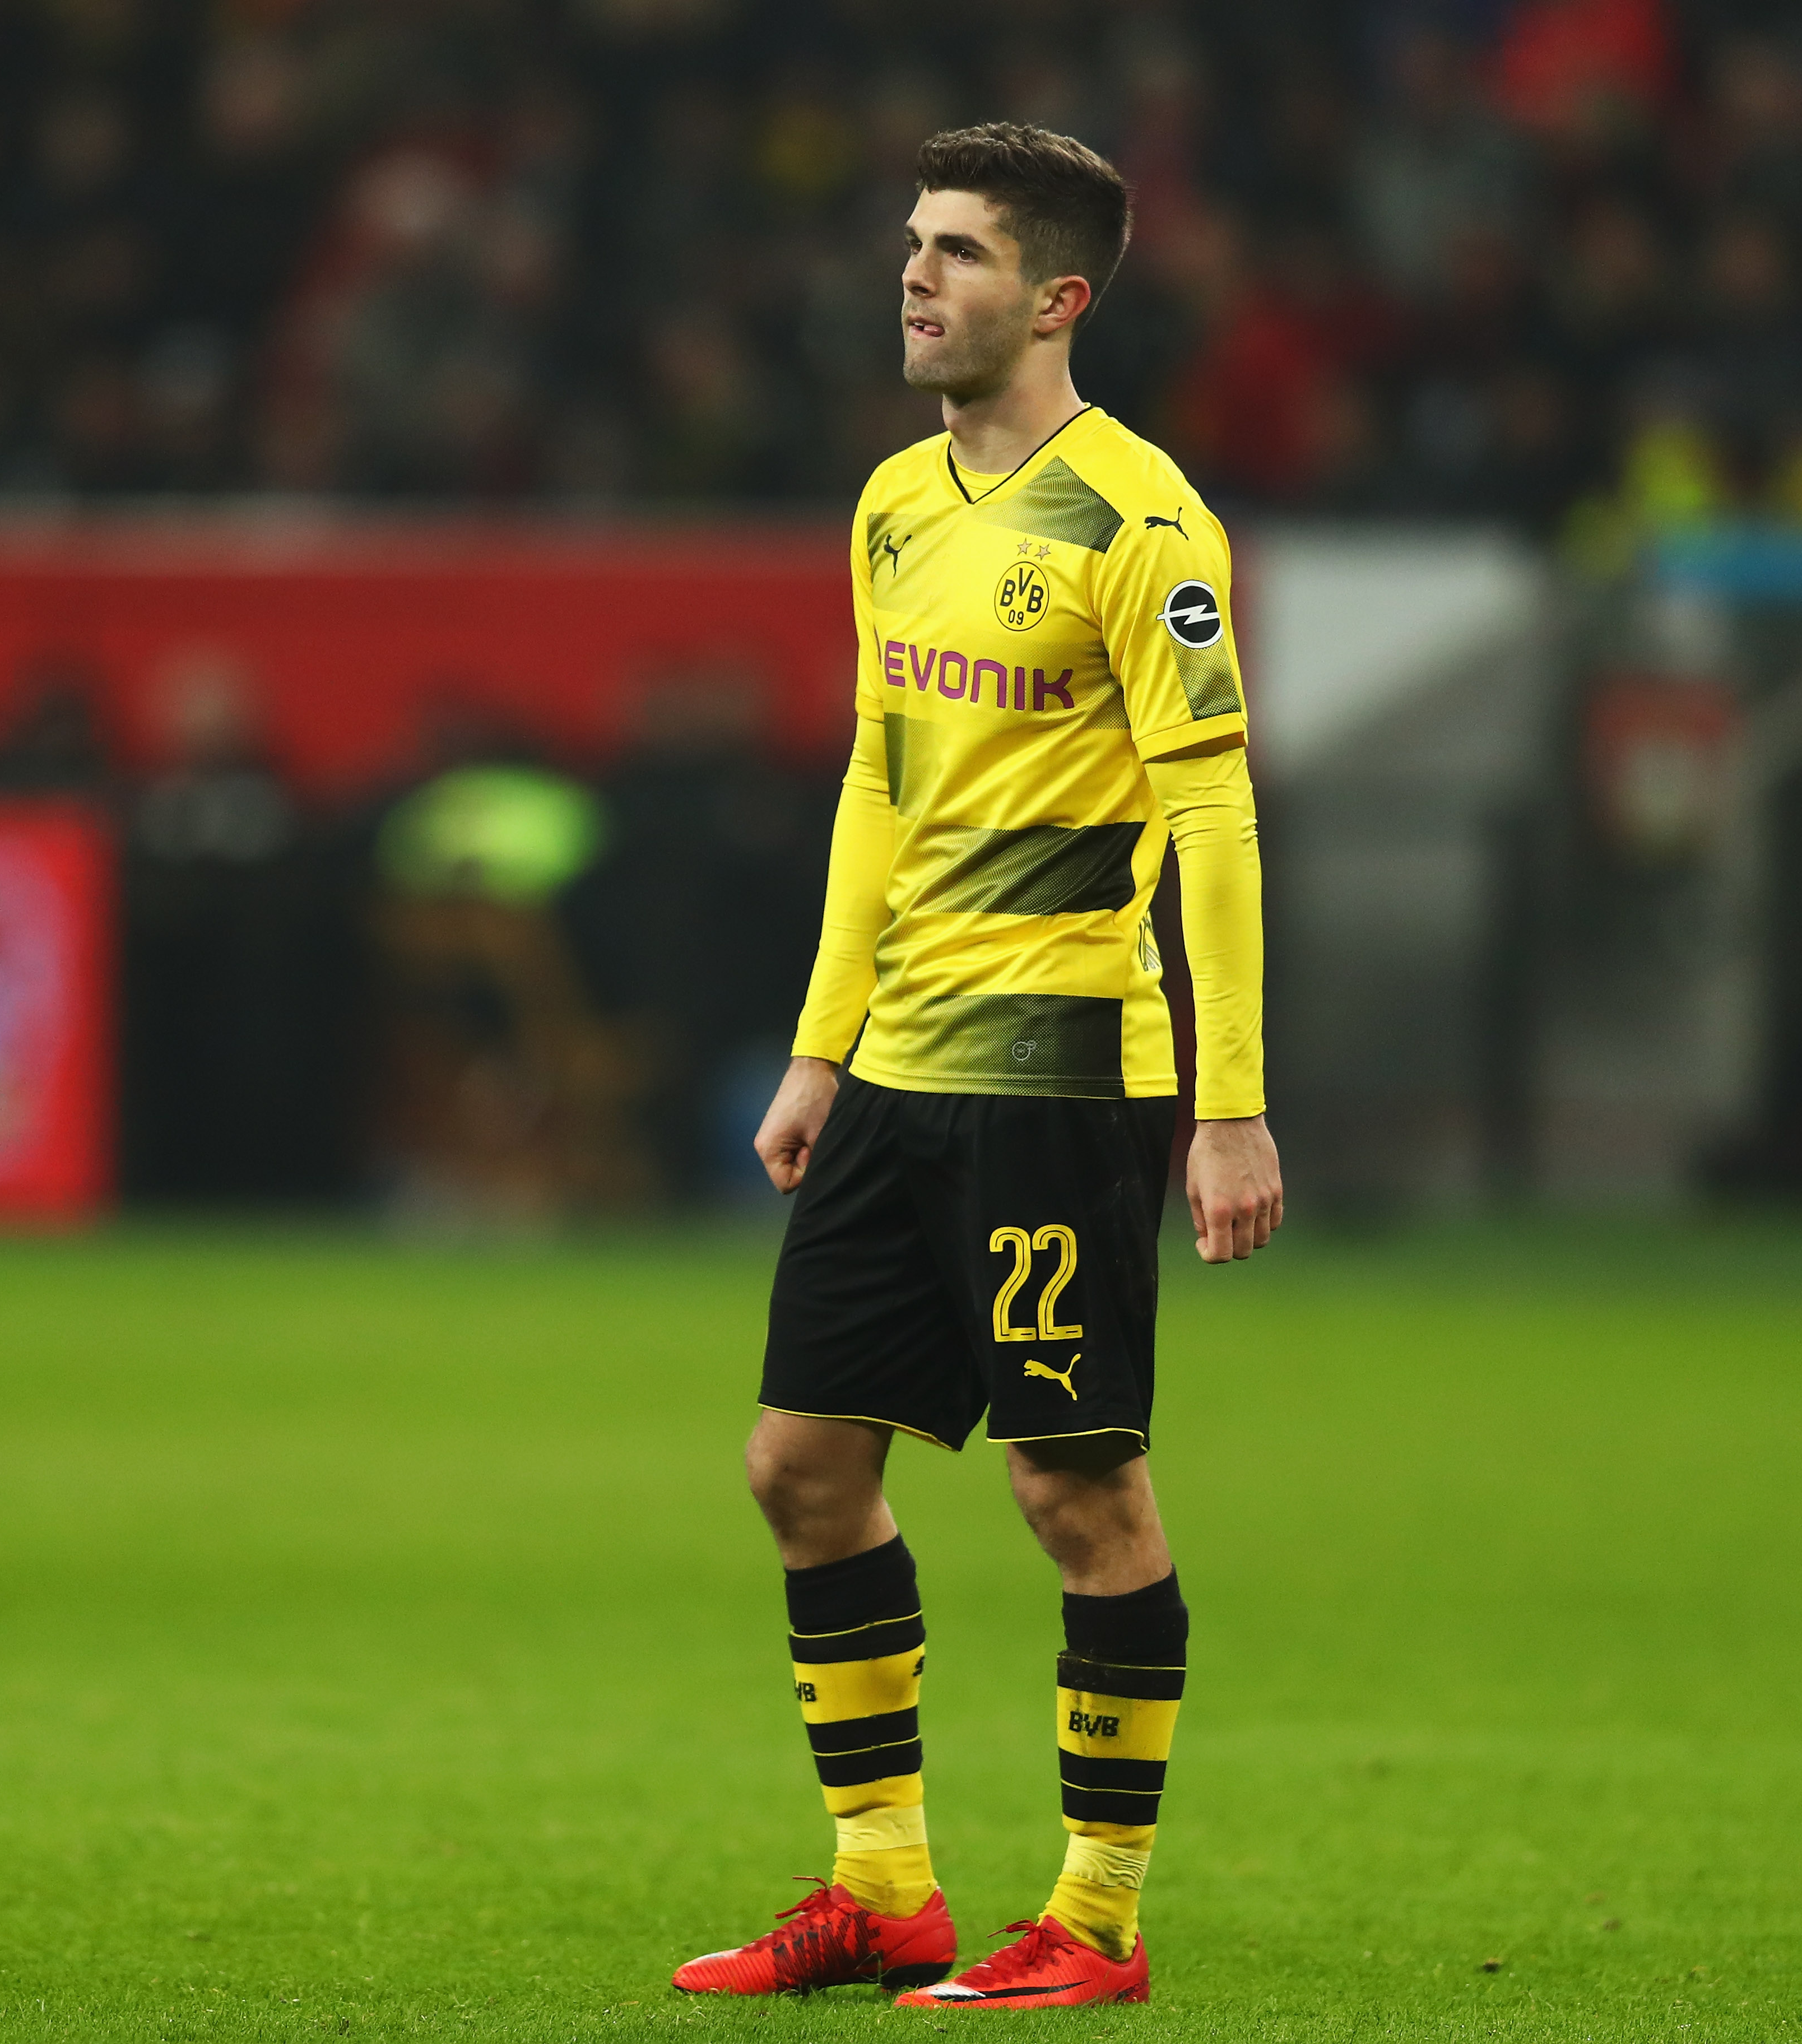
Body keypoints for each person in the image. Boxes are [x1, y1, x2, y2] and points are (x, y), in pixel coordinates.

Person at [672, 124, 1280, 2010]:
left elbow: (1214, 813)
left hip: (1064, 1071)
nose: (915, 279)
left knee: (1075, 1492)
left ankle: (1093, 1919)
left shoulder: (1145, 523)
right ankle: (885, 1886)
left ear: (1059, 296)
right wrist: (818, 1046)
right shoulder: (890, 505)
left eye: (956, 253)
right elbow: (879, 781)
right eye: (910, 247)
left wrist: (1231, 1097)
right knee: (799, 1466)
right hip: (902, 1071)